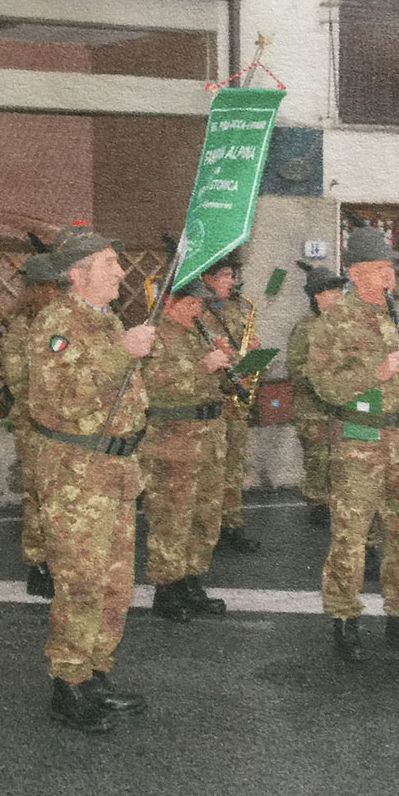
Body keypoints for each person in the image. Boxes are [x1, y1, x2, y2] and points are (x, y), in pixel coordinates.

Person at [29, 225, 154, 732]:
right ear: (78, 274)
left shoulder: (105, 322)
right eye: (109, 264)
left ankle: (97, 673)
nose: (121, 272)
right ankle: (68, 683)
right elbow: (62, 399)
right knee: (81, 581)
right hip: (77, 474)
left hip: (115, 470)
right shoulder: (57, 323)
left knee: (115, 583)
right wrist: (123, 350)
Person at [305, 225, 399, 661]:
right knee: (352, 530)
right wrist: (377, 374)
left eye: (391, 268)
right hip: (361, 431)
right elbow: (324, 384)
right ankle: (344, 618)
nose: (388, 276)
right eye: (379, 268)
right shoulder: (334, 321)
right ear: (354, 272)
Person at [139, 278, 231, 622]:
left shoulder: (199, 334)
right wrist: (202, 367)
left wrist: (226, 363)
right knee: (172, 516)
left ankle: (191, 581)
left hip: (207, 436)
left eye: (199, 305)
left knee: (204, 514)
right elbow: (150, 384)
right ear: (169, 302)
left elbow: (213, 384)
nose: (197, 310)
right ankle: (167, 587)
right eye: (190, 304)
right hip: (172, 437)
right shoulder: (154, 336)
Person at [1, 253, 65, 598]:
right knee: (37, 497)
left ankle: (57, 561)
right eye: (53, 287)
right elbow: (16, 380)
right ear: (38, 289)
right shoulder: (21, 328)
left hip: (62, 427)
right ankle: (37, 565)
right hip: (33, 425)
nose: (59, 294)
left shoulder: (60, 324)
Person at [201, 257, 262, 553]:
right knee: (214, 470)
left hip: (236, 400)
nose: (231, 281)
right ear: (207, 278)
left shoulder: (235, 309)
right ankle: (212, 528)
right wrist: (240, 363)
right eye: (225, 275)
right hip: (215, 397)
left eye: (232, 275)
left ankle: (231, 523)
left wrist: (253, 353)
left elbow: (240, 346)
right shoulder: (199, 313)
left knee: (234, 466)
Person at [288, 265, 347, 528]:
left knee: (340, 457)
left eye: (339, 290)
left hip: (340, 408)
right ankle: (317, 503)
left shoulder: (343, 325)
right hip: (313, 409)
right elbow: (296, 367)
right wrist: (324, 380)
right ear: (317, 296)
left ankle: (334, 501)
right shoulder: (305, 328)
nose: (338, 296)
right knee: (317, 458)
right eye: (332, 291)